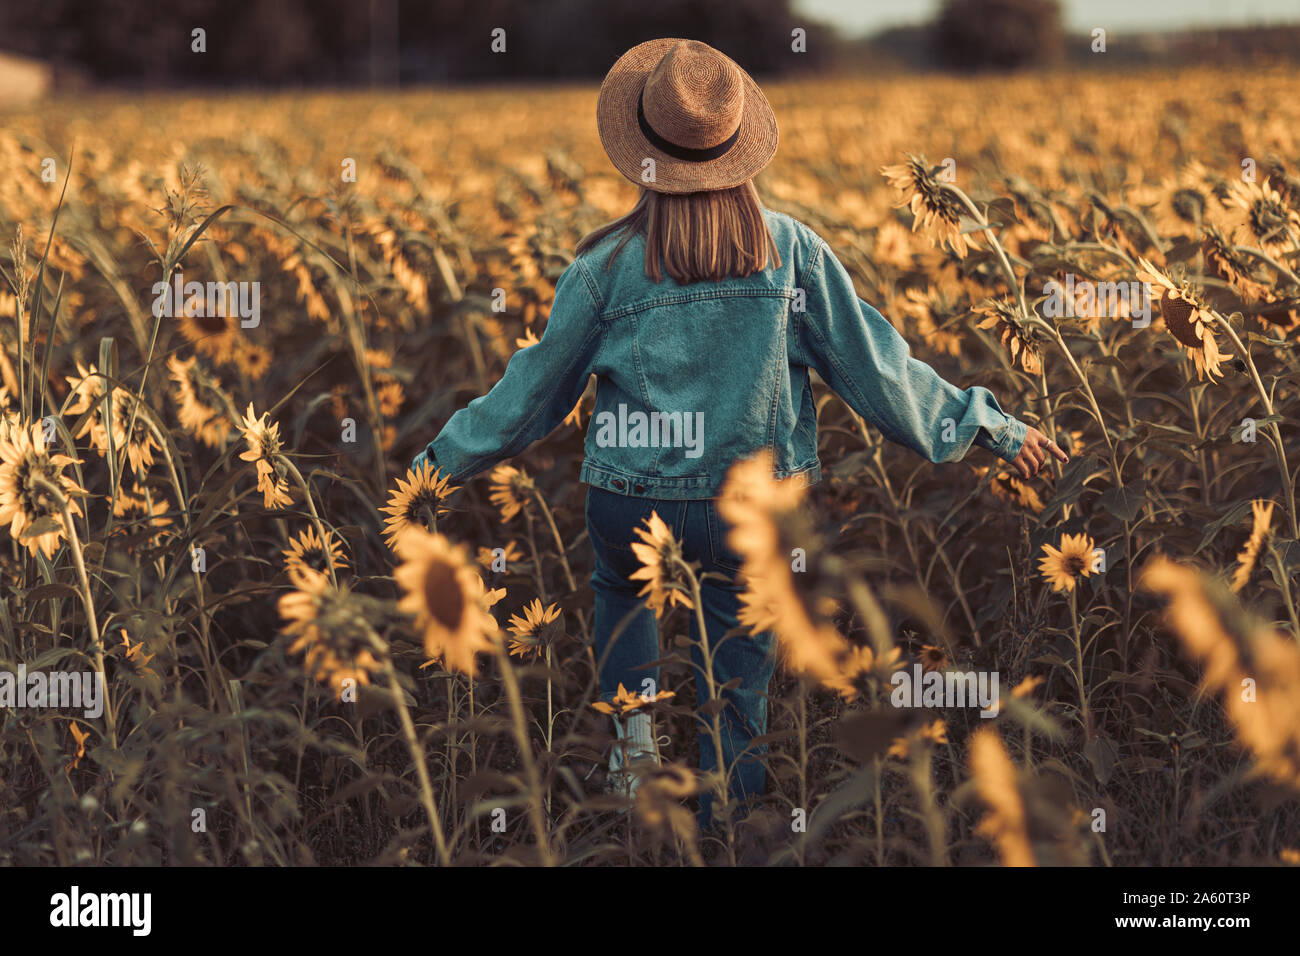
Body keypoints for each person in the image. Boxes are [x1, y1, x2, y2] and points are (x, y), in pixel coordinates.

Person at [412, 37, 1066, 832]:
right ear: (740, 152)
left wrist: (438, 463)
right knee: (741, 653)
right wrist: (990, 427)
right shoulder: (790, 254)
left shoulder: (603, 268)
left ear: (642, 156)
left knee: (624, 590)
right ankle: (733, 803)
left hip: (632, 500)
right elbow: (879, 375)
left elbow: (530, 396)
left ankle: (634, 755)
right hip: (748, 510)